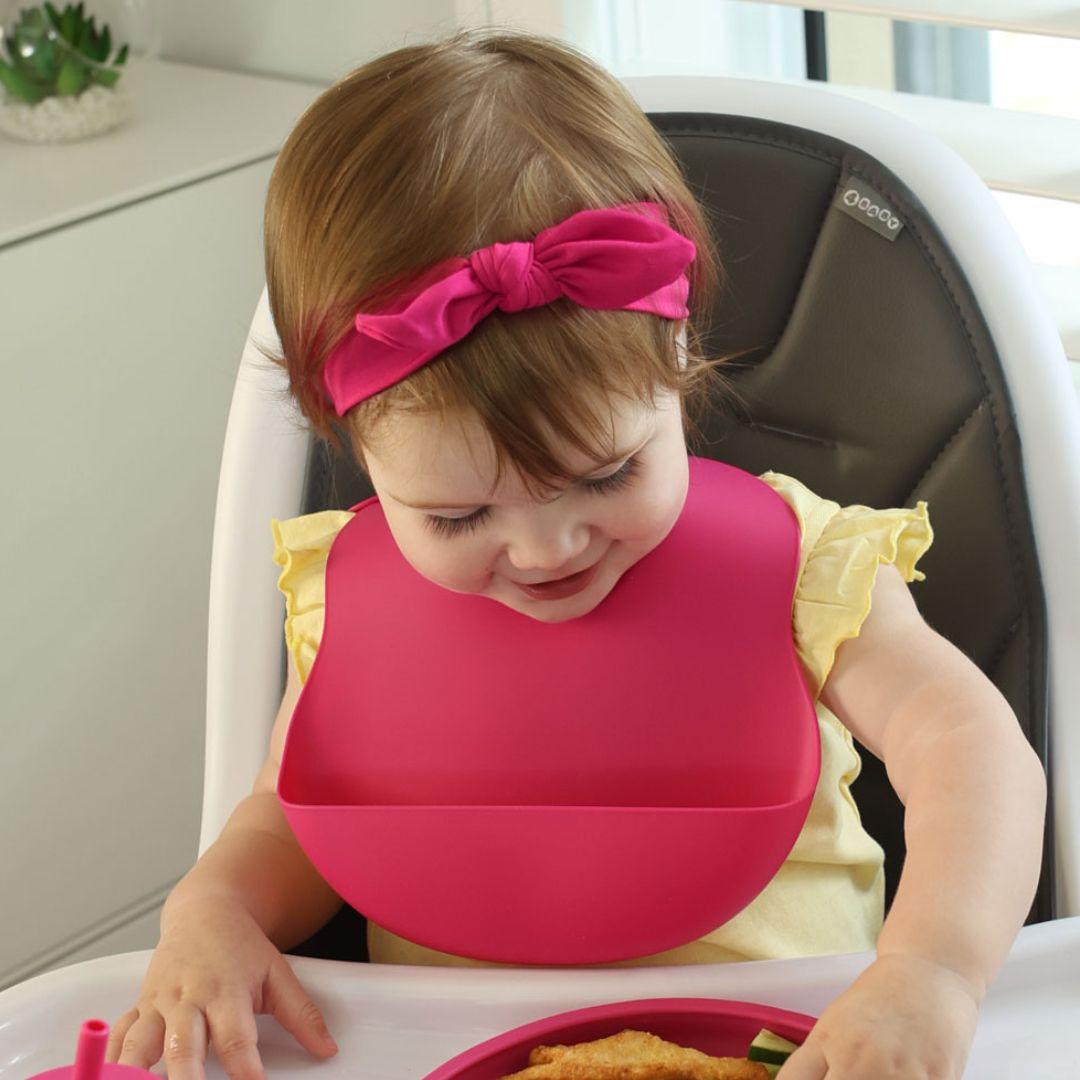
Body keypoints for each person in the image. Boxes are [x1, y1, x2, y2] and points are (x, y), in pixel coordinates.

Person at [106, 25, 1047, 1080]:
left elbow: (971, 750)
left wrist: (934, 973)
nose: (548, 547)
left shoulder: (806, 568)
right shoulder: (343, 602)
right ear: (356, 450)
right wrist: (216, 906)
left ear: (679, 361)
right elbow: (290, 825)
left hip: (793, 1052)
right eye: (460, 517)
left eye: (605, 475)